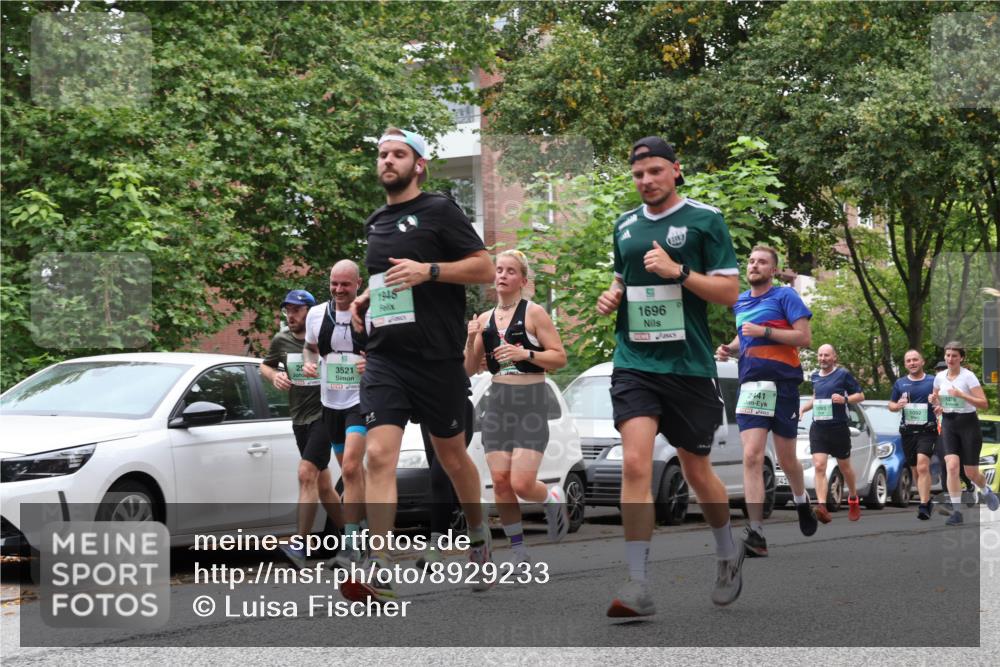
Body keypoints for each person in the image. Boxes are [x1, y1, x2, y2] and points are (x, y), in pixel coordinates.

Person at [343, 127, 494, 603]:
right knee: (378, 456)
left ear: (419, 164)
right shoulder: (375, 221)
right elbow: (389, 275)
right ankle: (381, 563)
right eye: (383, 154)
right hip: (386, 357)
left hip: (437, 359)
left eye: (398, 154)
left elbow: (484, 268)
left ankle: (480, 535)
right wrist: (367, 296)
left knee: (452, 457)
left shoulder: (440, 210)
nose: (388, 161)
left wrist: (429, 271)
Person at [596, 136, 745, 618]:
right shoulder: (624, 225)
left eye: (655, 172)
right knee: (636, 465)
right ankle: (637, 583)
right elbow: (622, 277)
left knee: (696, 470)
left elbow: (728, 292)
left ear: (676, 171)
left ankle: (727, 552)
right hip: (635, 363)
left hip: (689, 366)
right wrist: (612, 294)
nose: (646, 181)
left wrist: (678, 272)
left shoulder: (705, 219)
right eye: (639, 175)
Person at [464, 249, 570, 564]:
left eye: (510, 271)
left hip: (531, 402)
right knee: (499, 481)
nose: (502, 275)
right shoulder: (483, 320)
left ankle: (551, 498)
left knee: (521, 483)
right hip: (498, 403)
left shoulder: (534, 313)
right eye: (499, 270)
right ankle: (519, 551)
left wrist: (526, 355)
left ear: (522, 280)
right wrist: (471, 342)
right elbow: (469, 370)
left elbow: (560, 357)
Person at [716, 246, 817, 557]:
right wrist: (730, 349)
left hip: (783, 383)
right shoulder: (741, 301)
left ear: (773, 270)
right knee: (751, 456)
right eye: (751, 261)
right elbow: (744, 337)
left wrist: (766, 331)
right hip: (751, 385)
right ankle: (756, 532)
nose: (754, 265)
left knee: (787, 459)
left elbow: (804, 337)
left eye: (762, 262)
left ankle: (802, 501)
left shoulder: (785, 297)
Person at [260, 289, 343, 568]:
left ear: (309, 311)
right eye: (288, 310)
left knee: (306, 473)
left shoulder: (323, 338)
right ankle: (354, 536)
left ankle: (300, 545)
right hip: (299, 418)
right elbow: (265, 366)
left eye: (296, 310)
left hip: (324, 413)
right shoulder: (280, 340)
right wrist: (275, 376)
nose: (291, 315)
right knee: (323, 485)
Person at [302, 261, 368, 567]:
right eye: (334, 283)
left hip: (360, 401)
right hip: (331, 405)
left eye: (345, 284)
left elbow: (388, 352)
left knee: (352, 469)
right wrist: (308, 362)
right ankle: (364, 533)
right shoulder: (317, 314)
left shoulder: (368, 315)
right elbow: (309, 347)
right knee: (350, 472)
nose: (339, 289)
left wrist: (373, 364)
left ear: (358, 284)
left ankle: (351, 544)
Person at [930, 341, 999, 525]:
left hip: (968, 424)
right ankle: (957, 512)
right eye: (948, 355)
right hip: (949, 424)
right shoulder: (939, 378)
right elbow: (937, 398)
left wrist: (962, 395)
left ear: (961, 358)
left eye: (954, 356)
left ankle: (986, 490)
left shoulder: (969, 377)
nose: (950, 359)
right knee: (951, 466)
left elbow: (984, 403)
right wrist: (936, 403)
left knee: (971, 473)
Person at [801, 344, 865, 522]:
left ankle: (853, 498)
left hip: (838, 428)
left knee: (844, 467)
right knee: (819, 465)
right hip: (819, 427)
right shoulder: (814, 376)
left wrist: (844, 399)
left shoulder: (842, 375)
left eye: (826, 356)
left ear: (834, 357)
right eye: (820, 355)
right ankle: (822, 506)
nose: (822, 359)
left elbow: (860, 396)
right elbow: (816, 398)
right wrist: (803, 409)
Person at [887, 349, 939, 520]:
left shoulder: (933, 381)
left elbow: (943, 401)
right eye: (908, 360)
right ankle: (927, 498)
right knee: (915, 469)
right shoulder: (900, 383)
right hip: (908, 432)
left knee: (923, 465)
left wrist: (937, 401)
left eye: (915, 359)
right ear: (905, 364)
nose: (912, 363)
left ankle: (923, 505)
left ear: (922, 361)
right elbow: (891, 406)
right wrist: (899, 405)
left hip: (928, 430)